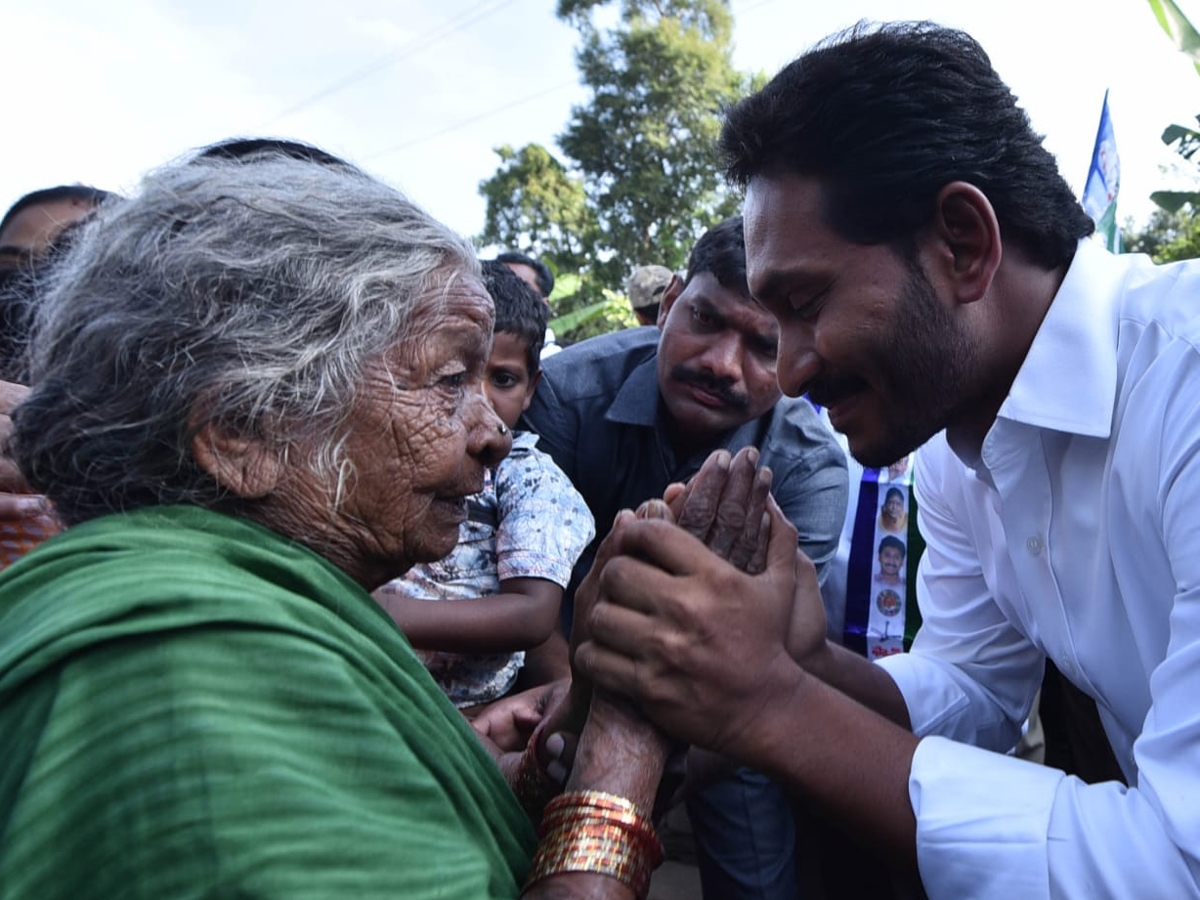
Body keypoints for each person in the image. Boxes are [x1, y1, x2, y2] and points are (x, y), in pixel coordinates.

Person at [572, 20, 1200, 900]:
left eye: (805, 302)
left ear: (962, 243)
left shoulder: (1186, 382)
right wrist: (810, 667)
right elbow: (975, 688)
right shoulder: (955, 453)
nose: (786, 372)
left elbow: (1180, 860)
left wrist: (768, 704)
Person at [0, 147, 679, 900]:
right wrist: (624, 751)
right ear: (239, 430)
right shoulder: (191, 667)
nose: (492, 434)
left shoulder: (236, 611)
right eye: (450, 381)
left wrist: (514, 770)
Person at [521, 215, 847, 900]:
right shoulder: (566, 396)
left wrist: (650, 767)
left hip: (721, 714)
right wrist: (578, 707)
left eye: (764, 345)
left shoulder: (808, 466)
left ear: (799, 360)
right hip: (555, 677)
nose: (722, 363)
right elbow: (526, 585)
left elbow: (779, 657)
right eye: (704, 319)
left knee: (755, 877)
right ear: (670, 302)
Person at [373, 260, 594, 709]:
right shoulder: (393, 449)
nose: (482, 399)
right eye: (454, 376)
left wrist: (383, 614)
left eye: (503, 379)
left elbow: (531, 615)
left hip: (456, 708)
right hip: (368, 671)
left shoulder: (528, 478)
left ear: (531, 388)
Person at [496, 250, 562, 358]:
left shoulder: (560, 363)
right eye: (498, 286)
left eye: (518, 290)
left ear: (544, 306)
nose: (505, 297)